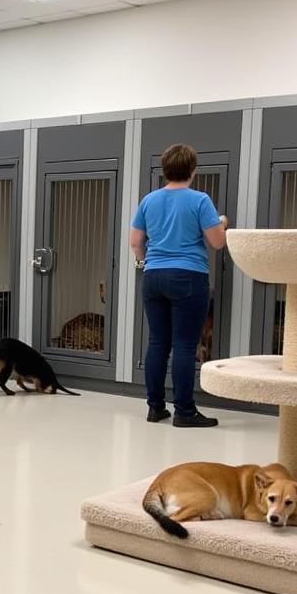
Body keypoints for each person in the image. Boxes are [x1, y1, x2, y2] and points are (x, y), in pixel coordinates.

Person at [130, 144, 227, 428]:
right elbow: (217, 242)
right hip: (188, 277)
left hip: (153, 277)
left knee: (157, 343)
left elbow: (136, 243)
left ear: (165, 170)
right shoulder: (200, 200)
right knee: (185, 345)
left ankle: (155, 408)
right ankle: (184, 412)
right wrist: (221, 222)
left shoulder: (149, 200)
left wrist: (149, 260)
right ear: (193, 170)